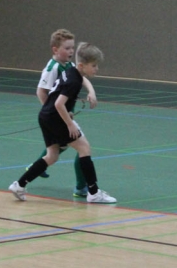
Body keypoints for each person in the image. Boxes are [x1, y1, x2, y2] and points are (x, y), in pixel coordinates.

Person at [10, 43, 116, 204]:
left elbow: (67, 93)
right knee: (84, 148)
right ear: (82, 65)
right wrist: (69, 124)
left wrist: (91, 92)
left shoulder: (72, 70)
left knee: (52, 156)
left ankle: (19, 185)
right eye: (94, 65)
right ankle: (94, 192)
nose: (97, 69)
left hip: (45, 116)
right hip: (56, 118)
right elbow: (59, 104)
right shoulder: (73, 81)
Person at [26, 29, 97, 197]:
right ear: (55, 50)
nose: (71, 51)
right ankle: (81, 187)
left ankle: (37, 168)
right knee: (82, 148)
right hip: (58, 115)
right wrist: (53, 113)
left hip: (64, 113)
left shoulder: (70, 65)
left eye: (72, 48)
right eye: (67, 48)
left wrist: (91, 91)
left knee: (58, 149)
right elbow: (41, 91)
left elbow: (82, 78)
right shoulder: (52, 68)